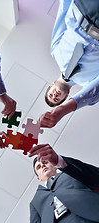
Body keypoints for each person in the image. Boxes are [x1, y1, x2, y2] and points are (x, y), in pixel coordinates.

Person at [38, 0, 99, 128]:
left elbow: (62, 15)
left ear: (51, 85)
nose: (55, 95)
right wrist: (64, 109)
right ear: (66, 97)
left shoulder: (55, 52)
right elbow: (94, 92)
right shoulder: (88, 84)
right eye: (56, 99)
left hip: (85, 8)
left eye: (51, 94)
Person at [26, 144, 99, 223]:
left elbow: (95, 177)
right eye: (38, 167)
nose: (42, 165)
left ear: (54, 166)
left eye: (45, 162)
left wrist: (59, 162)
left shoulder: (72, 173)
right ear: (38, 178)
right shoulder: (35, 202)